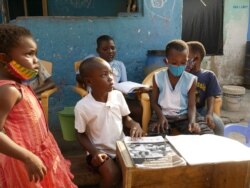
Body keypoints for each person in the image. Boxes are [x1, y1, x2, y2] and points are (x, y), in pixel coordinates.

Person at [0, 24, 76, 188]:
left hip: (41, 155)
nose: (36, 61)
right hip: (25, 164)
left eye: (36, 54)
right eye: (29, 54)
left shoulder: (20, 85)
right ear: (4, 59)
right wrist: (28, 157)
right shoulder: (7, 90)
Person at [74, 57, 143, 188]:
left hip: (121, 148)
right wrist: (95, 152)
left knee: (137, 171)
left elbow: (125, 118)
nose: (111, 78)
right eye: (104, 75)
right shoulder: (83, 106)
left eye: (111, 73)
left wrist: (134, 124)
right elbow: (80, 134)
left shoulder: (117, 95)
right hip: (99, 152)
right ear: (89, 81)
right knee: (112, 174)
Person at [150, 39, 213, 135]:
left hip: (185, 116)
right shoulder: (157, 77)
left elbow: (191, 106)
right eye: (174, 63)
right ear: (166, 61)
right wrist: (161, 116)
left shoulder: (191, 79)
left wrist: (192, 122)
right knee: (155, 139)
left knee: (206, 135)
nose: (179, 66)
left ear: (187, 61)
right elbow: (153, 102)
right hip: (162, 115)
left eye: (183, 62)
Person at [186, 41, 224, 136]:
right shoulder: (182, 73)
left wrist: (209, 114)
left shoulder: (208, 75)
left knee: (218, 125)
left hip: (201, 109)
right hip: (184, 110)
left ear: (197, 57)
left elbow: (211, 96)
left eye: (186, 54)